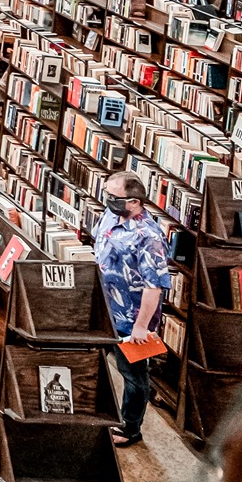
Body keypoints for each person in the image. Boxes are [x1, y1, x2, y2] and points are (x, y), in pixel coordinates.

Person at [93, 170, 172, 447]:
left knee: (134, 376)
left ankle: (130, 428)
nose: (108, 201)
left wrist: (141, 326)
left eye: (115, 197)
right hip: (103, 308)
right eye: (107, 195)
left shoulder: (148, 237)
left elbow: (154, 286)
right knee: (92, 362)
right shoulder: (110, 216)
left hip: (130, 320)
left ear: (135, 201)